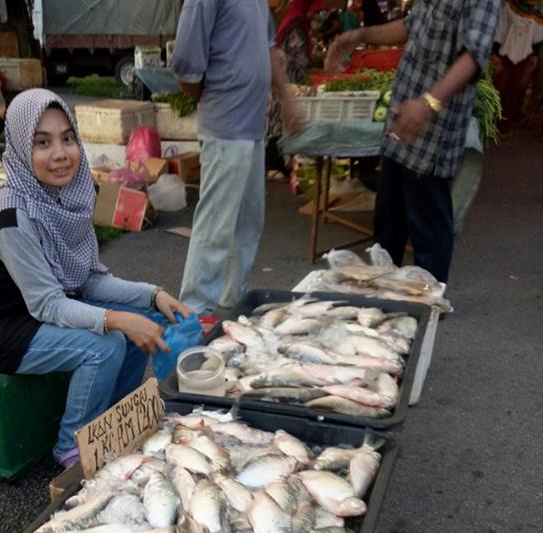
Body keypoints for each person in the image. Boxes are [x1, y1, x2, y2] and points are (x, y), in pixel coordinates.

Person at [0, 89, 188, 469]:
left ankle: (113, 423)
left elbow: (90, 281)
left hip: (43, 308)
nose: (61, 153)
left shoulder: (68, 197)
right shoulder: (13, 216)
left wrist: (153, 295)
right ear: (18, 147)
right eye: (42, 142)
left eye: (68, 138)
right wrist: (117, 320)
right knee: (106, 344)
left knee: (142, 323)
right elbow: (48, 304)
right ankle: (71, 449)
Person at [326, 0, 500, 283]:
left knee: (428, 226)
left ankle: (427, 304)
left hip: (432, 134)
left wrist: (428, 104)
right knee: (387, 224)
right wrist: (357, 36)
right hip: (401, 126)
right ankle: (384, 294)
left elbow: (473, 57)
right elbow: (410, 25)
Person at [170, 0, 302, 317]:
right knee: (215, 227)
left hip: (252, 127)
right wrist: (215, 100)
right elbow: (186, 65)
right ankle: (195, 311)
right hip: (226, 126)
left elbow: (270, 50)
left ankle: (232, 299)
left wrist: (287, 99)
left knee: (247, 223)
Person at [491, 0, 543, 136]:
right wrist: (494, 52)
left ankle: (503, 127)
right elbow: (500, 28)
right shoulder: (509, 3)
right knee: (498, 87)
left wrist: (535, 55)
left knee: (513, 90)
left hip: (523, 56)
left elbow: (537, 32)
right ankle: (488, 124)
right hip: (502, 54)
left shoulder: (537, 8)